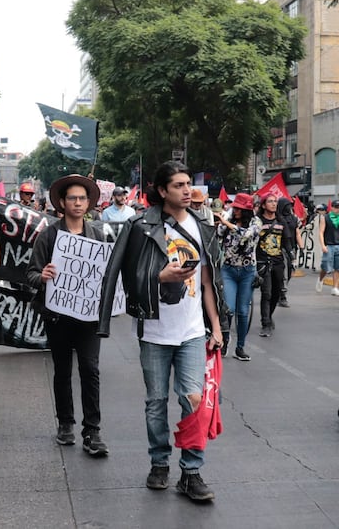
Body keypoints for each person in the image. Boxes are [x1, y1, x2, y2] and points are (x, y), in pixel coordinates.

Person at [98, 161, 227, 502]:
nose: (188, 190)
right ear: (162, 190)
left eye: (189, 184)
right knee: (156, 402)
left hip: (192, 331)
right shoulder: (140, 227)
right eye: (179, 185)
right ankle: (159, 463)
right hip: (155, 331)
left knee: (193, 400)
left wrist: (216, 326)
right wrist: (159, 278)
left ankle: (191, 471)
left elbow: (208, 281)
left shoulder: (203, 227)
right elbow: (121, 275)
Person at [26, 175, 109, 457]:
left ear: (89, 203)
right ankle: (65, 423)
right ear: (62, 202)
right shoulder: (49, 235)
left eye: (82, 198)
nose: (77, 202)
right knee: (62, 370)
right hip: (57, 316)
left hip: (88, 318)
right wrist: (43, 276)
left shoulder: (97, 234)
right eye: (72, 198)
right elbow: (31, 274)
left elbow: (105, 275)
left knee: (90, 369)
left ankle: (92, 430)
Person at [215, 193, 261, 360]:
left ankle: (240, 347)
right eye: (235, 208)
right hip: (228, 269)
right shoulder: (229, 218)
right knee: (228, 309)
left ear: (247, 210)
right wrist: (224, 221)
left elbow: (246, 235)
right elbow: (219, 232)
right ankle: (225, 340)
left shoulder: (256, 222)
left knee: (243, 311)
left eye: (240, 209)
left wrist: (227, 223)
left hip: (247, 271)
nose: (236, 211)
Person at [256, 194, 287, 336]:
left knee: (276, 293)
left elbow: (287, 242)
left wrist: (291, 257)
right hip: (263, 262)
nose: (274, 204)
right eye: (270, 201)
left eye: (275, 201)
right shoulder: (257, 222)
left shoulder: (281, 221)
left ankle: (269, 315)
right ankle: (266, 324)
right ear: (263, 205)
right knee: (266, 293)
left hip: (278, 262)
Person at [276, 197, 303, 307]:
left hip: (292, 248)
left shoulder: (293, 218)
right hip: (279, 249)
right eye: (287, 205)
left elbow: (297, 233)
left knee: (290, 271)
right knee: (283, 273)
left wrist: (301, 247)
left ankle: (280, 291)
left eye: (290, 205)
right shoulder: (277, 218)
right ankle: (282, 296)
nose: (289, 207)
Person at [317, 199, 339, 296]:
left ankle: (335, 287)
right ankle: (321, 279)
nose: (338, 209)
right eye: (336, 207)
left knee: (337, 268)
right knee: (325, 267)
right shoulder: (325, 218)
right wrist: (322, 245)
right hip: (329, 245)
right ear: (332, 207)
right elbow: (321, 232)